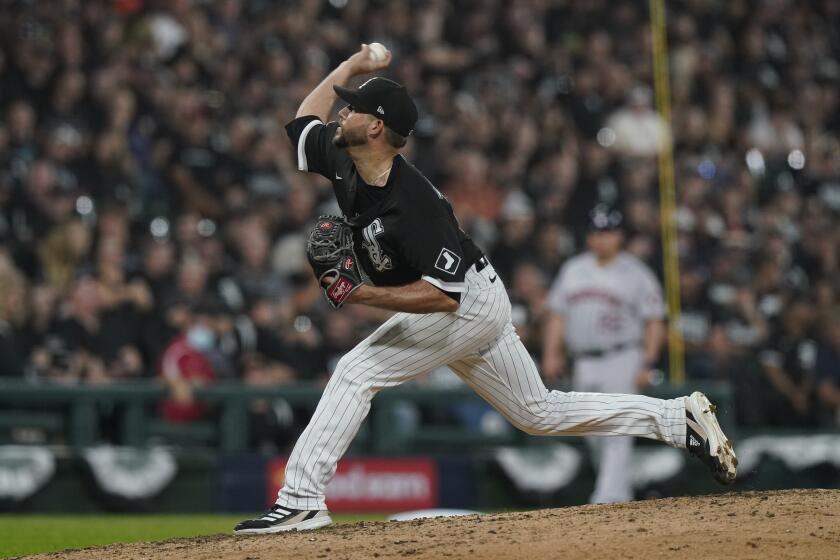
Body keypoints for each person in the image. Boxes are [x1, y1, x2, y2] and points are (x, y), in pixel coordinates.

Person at [234, 45, 737, 535]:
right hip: (472, 300)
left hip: (464, 303)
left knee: (355, 371)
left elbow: (442, 296)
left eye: (353, 106)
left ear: (376, 126)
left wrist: (361, 294)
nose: (340, 111)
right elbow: (303, 121)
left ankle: (300, 500)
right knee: (538, 413)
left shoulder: (412, 204)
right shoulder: (345, 157)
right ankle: (677, 419)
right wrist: (352, 64)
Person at [541, 206, 665, 504]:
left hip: (622, 356)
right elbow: (556, 316)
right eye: (596, 232)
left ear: (620, 236)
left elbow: (654, 321)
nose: (601, 239)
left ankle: (607, 498)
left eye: (607, 233)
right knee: (590, 429)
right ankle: (620, 492)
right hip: (584, 360)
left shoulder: (635, 273)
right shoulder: (573, 269)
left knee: (617, 426)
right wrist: (551, 353)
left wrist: (648, 362)